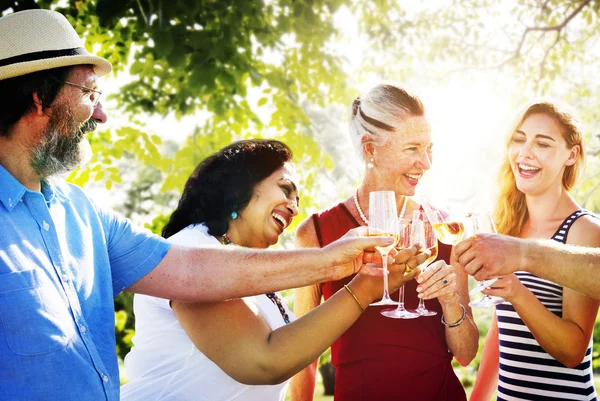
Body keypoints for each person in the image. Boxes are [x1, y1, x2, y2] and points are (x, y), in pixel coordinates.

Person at [0, 10, 407, 401]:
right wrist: (355, 278)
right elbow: (261, 358)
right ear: (40, 98)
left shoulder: (81, 210)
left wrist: (339, 262)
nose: (102, 114)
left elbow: (190, 268)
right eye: (90, 93)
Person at [121, 139, 428, 401]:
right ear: (239, 186)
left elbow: (290, 346)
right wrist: (363, 288)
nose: (294, 207)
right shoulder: (191, 249)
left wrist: (367, 280)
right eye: (285, 189)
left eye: (298, 200)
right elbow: (263, 361)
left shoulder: (254, 278)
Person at [290, 83, 479, 401]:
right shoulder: (317, 233)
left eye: (429, 147)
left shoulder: (444, 228)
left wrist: (450, 302)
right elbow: (302, 357)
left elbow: (466, 353)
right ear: (370, 150)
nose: (427, 163)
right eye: (412, 148)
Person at [468, 100, 600, 401]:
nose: (525, 152)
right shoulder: (509, 225)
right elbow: (503, 329)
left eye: (542, 144)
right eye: (519, 139)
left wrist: (517, 292)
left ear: (571, 154)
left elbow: (572, 351)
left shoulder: (584, 231)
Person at [455, 233, 600, 300]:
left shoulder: (584, 228)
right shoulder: (513, 221)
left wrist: (522, 253)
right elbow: (500, 330)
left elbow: (572, 353)